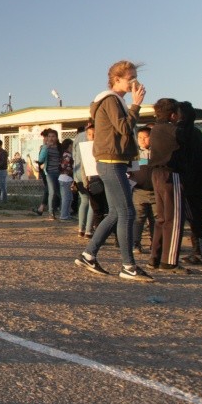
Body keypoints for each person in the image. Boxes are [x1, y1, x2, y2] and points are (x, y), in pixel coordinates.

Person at [74, 60, 153, 282]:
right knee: (128, 212)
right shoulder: (110, 99)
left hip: (115, 161)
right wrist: (136, 105)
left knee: (117, 213)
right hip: (110, 161)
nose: (134, 83)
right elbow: (124, 128)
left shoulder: (115, 101)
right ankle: (128, 265)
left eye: (135, 78)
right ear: (116, 79)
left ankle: (88, 255)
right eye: (131, 78)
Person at [146, 98, 188, 273]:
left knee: (161, 218)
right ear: (173, 115)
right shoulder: (175, 130)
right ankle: (169, 261)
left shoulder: (155, 129)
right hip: (171, 175)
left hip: (156, 174)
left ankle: (154, 258)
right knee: (175, 219)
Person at [178, 101, 202, 265]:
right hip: (201, 182)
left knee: (193, 218)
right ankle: (200, 251)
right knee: (196, 217)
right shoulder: (196, 132)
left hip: (190, 184)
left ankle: (199, 253)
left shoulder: (184, 133)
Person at [131, 126, 155, 253]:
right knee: (138, 218)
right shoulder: (135, 154)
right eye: (139, 137)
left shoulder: (158, 152)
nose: (142, 140)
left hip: (156, 192)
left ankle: (155, 244)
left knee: (155, 219)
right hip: (139, 191)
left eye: (145, 137)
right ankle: (136, 243)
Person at [33, 129, 60, 219]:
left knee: (57, 192)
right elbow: (40, 159)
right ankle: (51, 213)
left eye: (53, 136)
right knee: (51, 191)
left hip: (60, 173)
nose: (51, 138)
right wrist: (46, 147)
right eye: (49, 136)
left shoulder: (60, 147)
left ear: (56, 137)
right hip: (50, 173)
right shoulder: (45, 147)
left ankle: (60, 209)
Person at [58, 138, 75, 221]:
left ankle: (66, 214)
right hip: (66, 178)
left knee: (68, 198)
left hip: (65, 178)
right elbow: (65, 166)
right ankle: (64, 216)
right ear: (69, 145)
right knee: (66, 198)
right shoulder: (67, 155)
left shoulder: (65, 154)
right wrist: (72, 171)